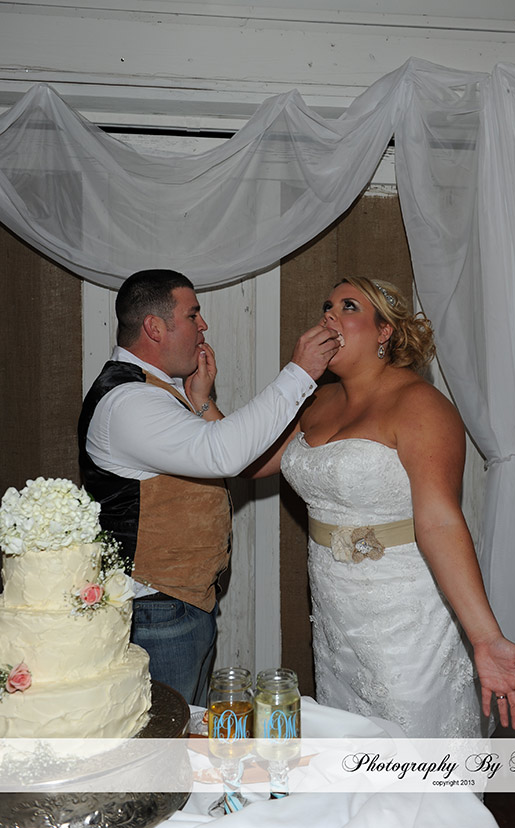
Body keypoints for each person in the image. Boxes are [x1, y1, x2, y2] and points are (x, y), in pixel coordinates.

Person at [250, 276, 515, 736]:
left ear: (384, 331)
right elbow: (251, 463)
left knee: (409, 736)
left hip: (405, 615)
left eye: (348, 306)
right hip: (334, 611)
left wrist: (486, 638)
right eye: (327, 306)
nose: (329, 315)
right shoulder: (316, 400)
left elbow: (440, 521)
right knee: (349, 740)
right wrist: (202, 399)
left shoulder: (420, 406)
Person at [78, 269, 339, 706]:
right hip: (154, 608)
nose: (204, 325)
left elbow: (224, 454)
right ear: (154, 328)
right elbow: (225, 454)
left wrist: (200, 399)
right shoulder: (128, 402)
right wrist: (299, 373)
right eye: (192, 314)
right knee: (167, 737)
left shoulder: (154, 391)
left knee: (187, 731)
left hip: (176, 604)